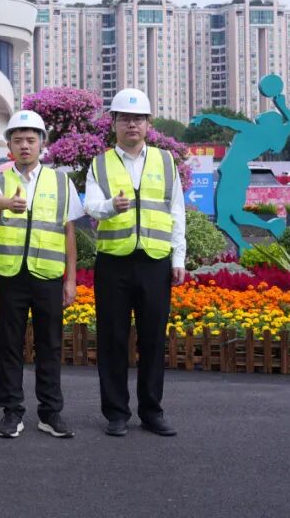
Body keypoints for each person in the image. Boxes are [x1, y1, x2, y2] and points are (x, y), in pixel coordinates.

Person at [85, 88, 186, 438]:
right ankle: (116, 413)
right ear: (113, 123)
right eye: (125, 118)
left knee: (153, 339)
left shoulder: (165, 161)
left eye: (138, 118)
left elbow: (176, 211)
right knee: (112, 339)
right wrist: (111, 206)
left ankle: (152, 411)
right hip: (113, 263)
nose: (132, 124)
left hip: (155, 262)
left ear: (148, 124)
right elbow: (91, 206)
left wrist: (178, 257)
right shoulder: (99, 163)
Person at [0, 110, 82, 439]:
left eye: (30, 139)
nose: (24, 146)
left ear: (42, 143)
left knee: (49, 345)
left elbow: (69, 232)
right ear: (9, 145)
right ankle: (12, 412)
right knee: (9, 344)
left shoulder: (61, 182)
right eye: (17, 140)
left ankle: (50, 413)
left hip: (48, 276)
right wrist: (7, 203)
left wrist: (71, 280)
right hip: (12, 275)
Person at [189, 74, 290, 253]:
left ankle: (269, 227)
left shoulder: (252, 130)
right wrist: (282, 106)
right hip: (236, 172)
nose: (258, 117)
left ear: (268, 122)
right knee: (225, 220)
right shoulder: (273, 136)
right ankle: (246, 244)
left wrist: (205, 116)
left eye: (263, 117)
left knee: (230, 217)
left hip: (234, 172)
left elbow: (225, 121)